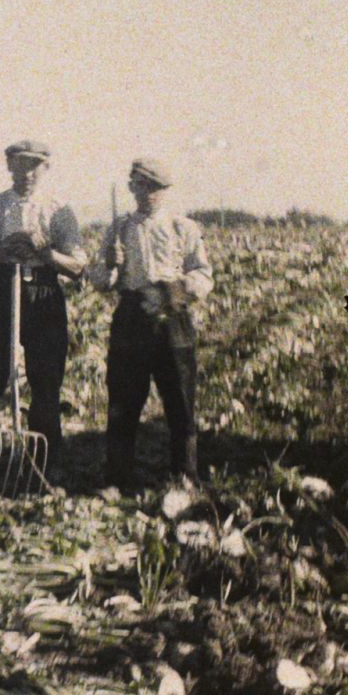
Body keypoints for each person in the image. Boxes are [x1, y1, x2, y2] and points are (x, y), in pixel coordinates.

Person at [0, 139, 86, 477]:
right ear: (9, 166)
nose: (27, 173)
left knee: (47, 377)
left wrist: (46, 253)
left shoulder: (58, 210)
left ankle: (43, 462)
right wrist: (6, 248)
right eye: (20, 164)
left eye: (35, 165)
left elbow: (78, 266)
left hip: (43, 292)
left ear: (46, 168)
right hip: (0, 290)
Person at [88, 157, 213, 490]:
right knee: (124, 400)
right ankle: (119, 476)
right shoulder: (119, 229)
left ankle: (185, 474)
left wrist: (177, 290)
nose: (147, 194)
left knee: (180, 398)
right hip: (131, 317)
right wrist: (111, 267)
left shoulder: (183, 228)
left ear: (165, 191)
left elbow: (203, 275)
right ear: (131, 188)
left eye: (154, 188)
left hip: (173, 319)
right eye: (140, 186)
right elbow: (100, 280)